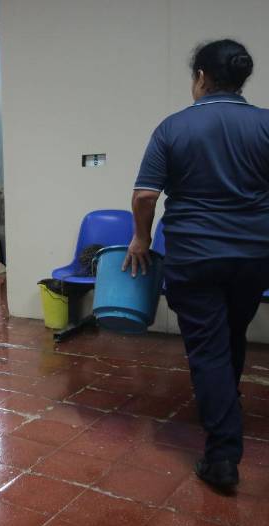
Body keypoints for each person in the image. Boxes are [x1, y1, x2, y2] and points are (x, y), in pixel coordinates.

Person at [124, 40, 269, 491]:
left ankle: (223, 456)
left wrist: (141, 238)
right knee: (230, 333)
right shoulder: (266, 124)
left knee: (207, 347)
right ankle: (227, 398)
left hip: (195, 255)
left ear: (201, 77)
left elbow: (146, 195)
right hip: (255, 255)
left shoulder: (174, 127)